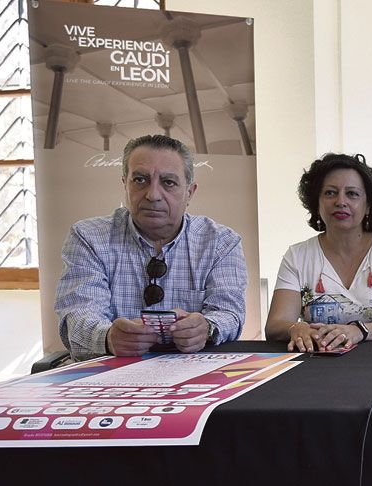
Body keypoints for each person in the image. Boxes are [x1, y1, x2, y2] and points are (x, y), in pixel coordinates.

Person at [55, 134, 246, 360]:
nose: (153, 195)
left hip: (190, 373)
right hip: (110, 374)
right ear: (124, 184)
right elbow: (78, 314)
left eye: (168, 182)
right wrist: (107, 337)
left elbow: (229, 313)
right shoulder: (89, 237)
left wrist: (207, 327)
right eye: (140, 180)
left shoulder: (220, 242)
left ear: (189, 192)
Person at [264, 153, 372, 352]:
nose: (340, 201)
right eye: (330, 193)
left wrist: (359, 331)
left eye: (352, 193)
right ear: (316, 204)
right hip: (315, 363)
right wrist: (295, 327)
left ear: (368, 205)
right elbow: (275, 325)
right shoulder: (297, 255)